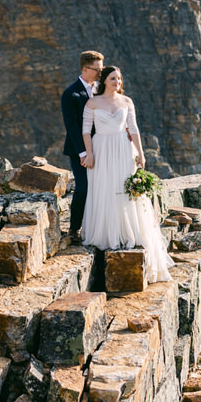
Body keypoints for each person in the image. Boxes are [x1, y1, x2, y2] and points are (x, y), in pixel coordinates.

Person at [79, 65, 172, 282]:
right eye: (113, 78)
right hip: (101, 149)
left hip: (123, 149)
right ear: (104, 81)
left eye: (119, 79)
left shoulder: (127, 102)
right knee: (104, 188)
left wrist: (140, 154)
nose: (117, 82)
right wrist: (89, 155)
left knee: (125, 189)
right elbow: (85, 131)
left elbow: (134, 129)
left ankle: (128, 232)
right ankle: (106, 233)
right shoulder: (92, 103)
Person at [60, 50, 104, 243]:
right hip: (80, 150)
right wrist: (83, 152)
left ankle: (96, 226)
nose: (101, 74)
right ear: (86, 69)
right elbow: (71, 126)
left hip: (103, 147)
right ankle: (74, 228)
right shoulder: (70, 93)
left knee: (102, 187)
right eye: (98, 70)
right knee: (83, 188)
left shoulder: (103, 89)